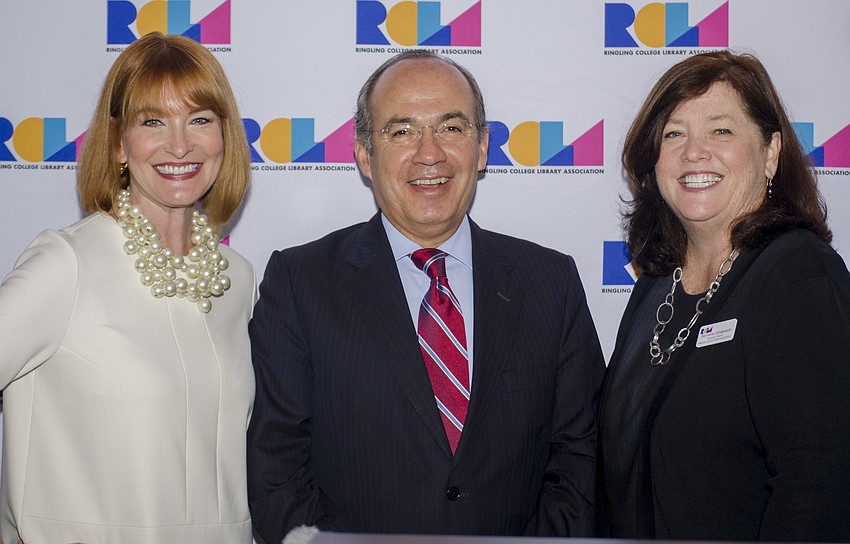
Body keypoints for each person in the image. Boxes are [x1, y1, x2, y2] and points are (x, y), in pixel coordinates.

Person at [247, 50, 605, 543]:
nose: (429, 153)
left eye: (451, 128)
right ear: (364, 155)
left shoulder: (551, 281)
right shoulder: (301, 281)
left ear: (481, 148)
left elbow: (580, 461)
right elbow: (277, 469)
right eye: (401, 131)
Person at [0, 32, 256, 543]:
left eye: (200, 119)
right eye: (153, 121)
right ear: (118, 142)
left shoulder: (238, 280)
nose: (179, 144)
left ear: (224, 137)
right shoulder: (66, 263)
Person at [597, 50, 850, 541]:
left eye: (721, 130)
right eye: (674, 134)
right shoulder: (655, 284)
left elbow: (821, 483)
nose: (694, 152)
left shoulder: (799, 275)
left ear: (771, 153)